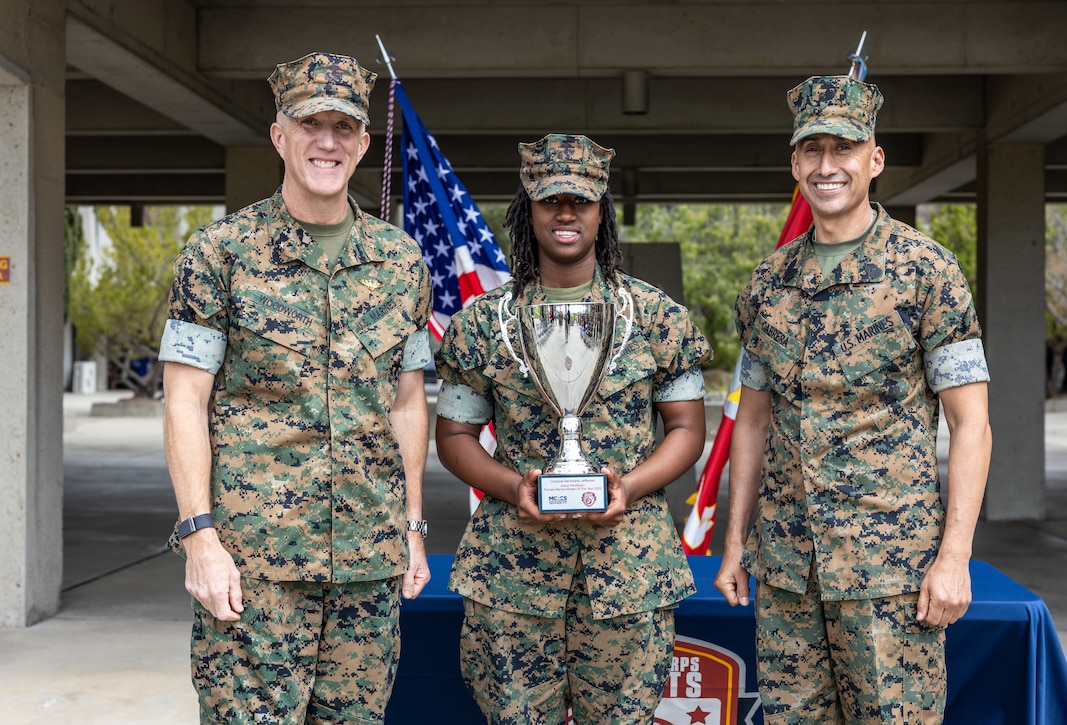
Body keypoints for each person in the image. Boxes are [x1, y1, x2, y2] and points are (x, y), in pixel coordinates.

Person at [158, 51, 433, 723]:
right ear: (280, 135)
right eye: (311, 124)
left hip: (368, 565)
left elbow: (406, 402)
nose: (328, 141)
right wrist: (200, 538)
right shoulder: (220, 255)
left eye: (344, 127)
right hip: (256, 568)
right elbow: (185, 400)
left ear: (364, 143)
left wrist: (413, 527)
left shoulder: (400, 263)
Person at [713, 75, 993, 724]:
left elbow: (971, 422)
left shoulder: (927, 272)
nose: (827, 165)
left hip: (890, 572)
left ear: (875, 159)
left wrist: (954, 557)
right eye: (812, 150)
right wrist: (734, 544)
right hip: (787, 571)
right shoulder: (769, 283)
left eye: (844, 148)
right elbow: (751, 420)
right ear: (794, 164)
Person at [434, 133, 712, 724]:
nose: (565, 214)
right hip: (513, 573)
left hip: (628, 572)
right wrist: (514, 489)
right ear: (526, 209)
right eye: (549, 200)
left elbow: (687, 429)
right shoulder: (484, 324)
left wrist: (628, 488)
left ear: (601, 211)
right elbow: (455, 437)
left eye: (581, 201)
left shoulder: (658, 319)